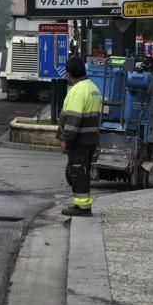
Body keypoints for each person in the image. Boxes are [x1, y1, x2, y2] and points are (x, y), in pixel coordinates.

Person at [58, 55, 102, 217]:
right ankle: (82, 204)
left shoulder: (77, 91)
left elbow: (73, 119)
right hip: (91, 138)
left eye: (67, 73)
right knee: (83, 171)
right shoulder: (93, 88)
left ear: (70, 74)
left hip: (79, 140)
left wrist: (65, 139)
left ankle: (82, 207)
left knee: (78, 173)